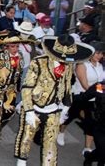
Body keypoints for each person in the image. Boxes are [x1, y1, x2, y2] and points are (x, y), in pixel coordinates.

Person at [14, 35, 94, 166]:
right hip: (34, 107)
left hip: (53, 109)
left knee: (50, 142)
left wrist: (66, 109)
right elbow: (27, 87)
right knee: (27, 137)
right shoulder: (38, 62)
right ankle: (21, 161)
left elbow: (67, 87)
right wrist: (29, 111)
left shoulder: (68, 65)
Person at [57, 41, 104, 153]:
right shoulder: (81, 64)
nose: (99, 56)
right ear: (91, 52)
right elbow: (85, 84)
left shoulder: (100, 66)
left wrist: (100, 94)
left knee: (92, 123)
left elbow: (101, 83)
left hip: (93, 99)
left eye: (101, 53)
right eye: (97, 53)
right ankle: (61, 132)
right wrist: (100, 92)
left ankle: (87, 148)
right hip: (79, 96)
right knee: (69, 117)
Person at [0, 32, 35, 139]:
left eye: (17, 46)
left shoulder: (21, 56)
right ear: (6, 46)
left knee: (9, 113)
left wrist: (18, 87)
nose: (16, 49)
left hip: (11, 90)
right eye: (13, 46)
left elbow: (20, 73)